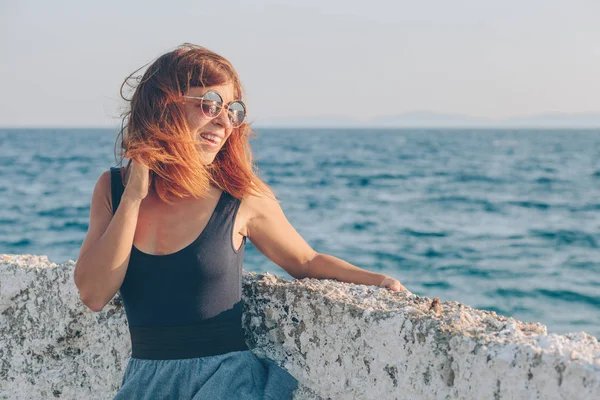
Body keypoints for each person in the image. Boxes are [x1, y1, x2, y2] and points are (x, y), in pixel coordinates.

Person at [73, 43, 407, 400]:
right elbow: (94, 294)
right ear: (164, 106)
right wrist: (134, 198)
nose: (223, 121)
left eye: (232, 110)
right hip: (144, 385)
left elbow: (305, 261)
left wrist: (378, 280)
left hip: (226, 382)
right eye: (209, 105)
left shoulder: (240, 196)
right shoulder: (114, 189)